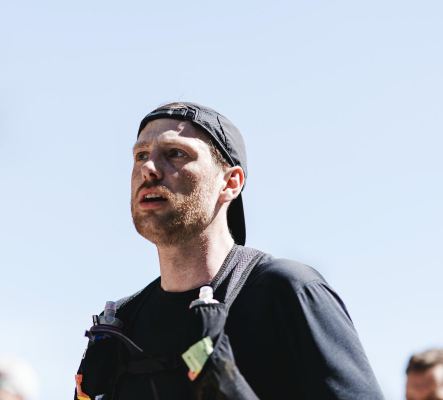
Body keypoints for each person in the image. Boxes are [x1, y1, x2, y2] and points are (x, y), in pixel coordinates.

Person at [75, 102, 384, 399]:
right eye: (141, 155)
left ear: (230, 183)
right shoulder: (120, 324)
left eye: (176, 153)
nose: (148, 168)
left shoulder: (286, 292)